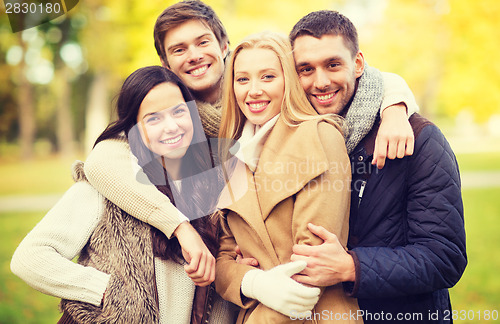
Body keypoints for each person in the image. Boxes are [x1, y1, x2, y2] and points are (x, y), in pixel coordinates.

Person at [81, 0, 419, 287]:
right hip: (224, 285)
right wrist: (181, 228)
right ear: (165, 64)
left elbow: (351, 73)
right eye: (179, 49)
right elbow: (101, 162)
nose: (194, 55)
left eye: (202, 42)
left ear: (224, 45)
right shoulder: (170, 120)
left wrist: (394, 106)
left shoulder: (262, 96)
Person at [11, 66, 233, 324]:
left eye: (179, 111)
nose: (171, 126)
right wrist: (106, 291)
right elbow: (30, 257)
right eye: (153, 119)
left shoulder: (212, 183)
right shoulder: (108, 186)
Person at [286, 10, 466, 323]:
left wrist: (350, 267)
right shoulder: (294, 140)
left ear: (357, 65)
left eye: (332, 64)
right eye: (306, 69)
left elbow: (444, 257)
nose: (320, 81)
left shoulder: (417, 137)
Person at [213, 31, 361, 324]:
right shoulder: (233, 157)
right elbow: (221, 261)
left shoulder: (318, 135)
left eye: (267, 77)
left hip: (316, 315)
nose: (253, 90)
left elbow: (311, 266)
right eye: (242, 79)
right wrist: (253, 283)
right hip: (257, 312)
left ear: (289, 81)